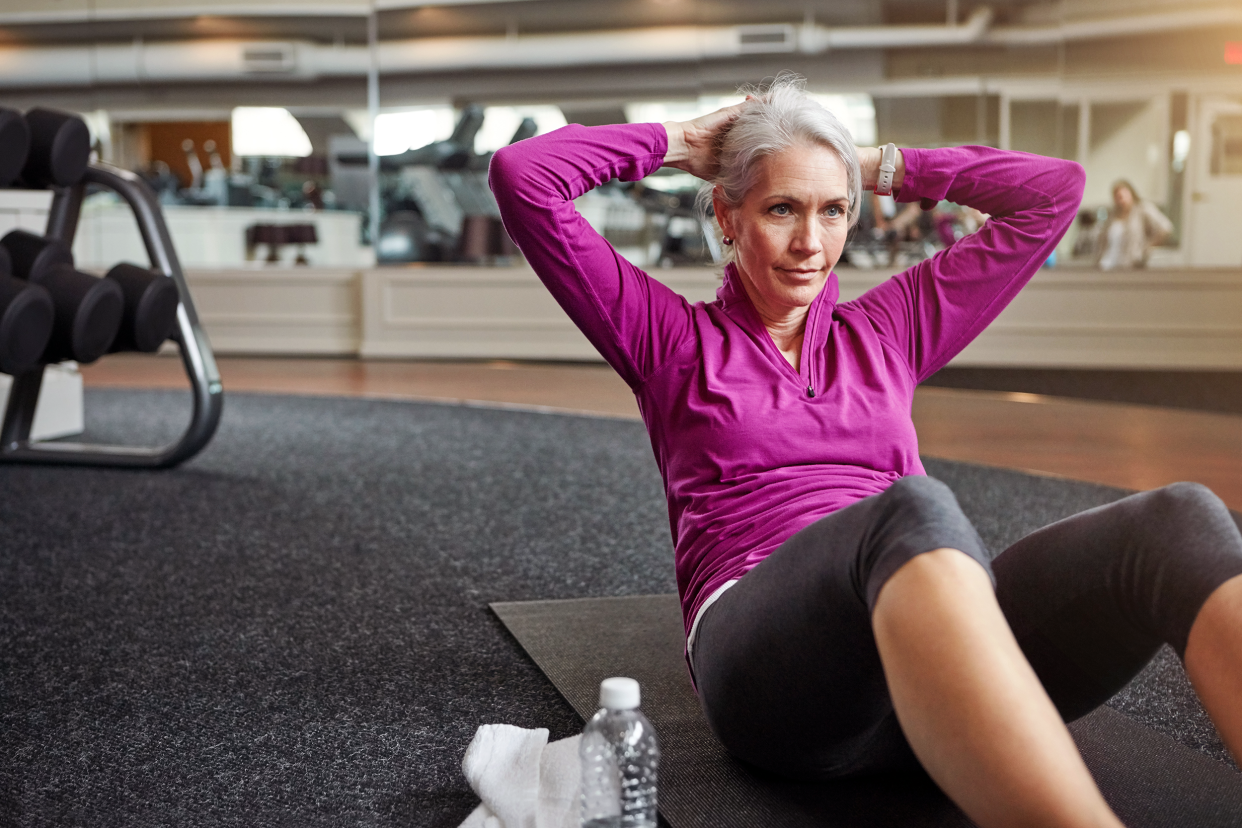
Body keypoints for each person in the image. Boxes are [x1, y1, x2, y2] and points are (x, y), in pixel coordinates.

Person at [489, 77, 1242, 828]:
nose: (810, 244)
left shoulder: (888, 329)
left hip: (935, 644)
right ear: (727, 215)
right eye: (782, 208)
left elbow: (1053, 191)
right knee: (913, 508)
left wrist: (875, 163)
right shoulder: (670, 343)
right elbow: (526, 178)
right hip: (779, 680)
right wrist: (685, 142)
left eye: (833, 210)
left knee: (1180, 518)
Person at [1097, 179, 1173, 270]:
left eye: (1123, 195)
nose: (1121, 199)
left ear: (1131, 193)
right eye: (1117, 197)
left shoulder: (1142, 209)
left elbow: (1165, 228)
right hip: (1107, 265)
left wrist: (1147, 247)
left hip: (1131, 265)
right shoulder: (1112, 216)